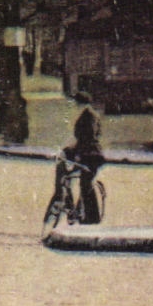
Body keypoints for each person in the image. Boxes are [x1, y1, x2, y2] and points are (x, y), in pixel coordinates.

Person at [65, 91, 105, 222]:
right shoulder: (87, 114)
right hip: (87, 154)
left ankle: (92, 218)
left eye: (77, 102)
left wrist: (77, 152)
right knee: (83, 183)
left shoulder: (89, 116)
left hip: (91, 155)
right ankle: (83, 213)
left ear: (81, 103)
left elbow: (89, 137)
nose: (75, 105)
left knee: (86, 185)